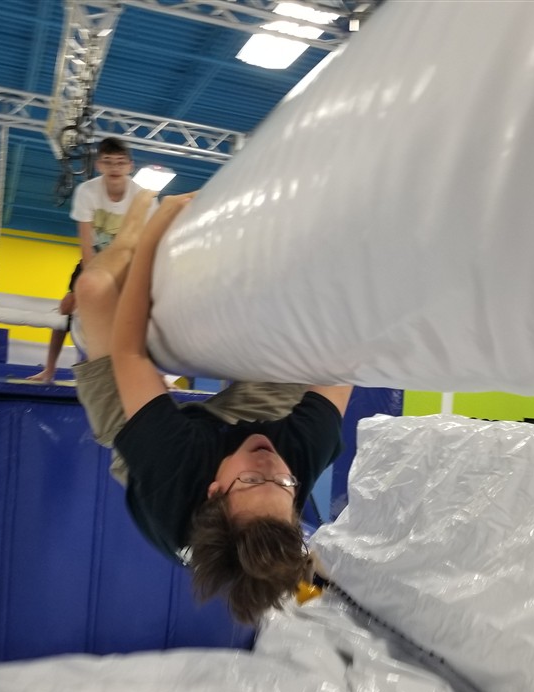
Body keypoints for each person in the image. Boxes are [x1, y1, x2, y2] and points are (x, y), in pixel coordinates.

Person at [72, 191, 352, 625]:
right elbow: (345, 356)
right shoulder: (291, 462)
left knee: (93, 290)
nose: (269, 465)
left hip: (154, 458)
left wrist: (155, 229)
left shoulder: (171, 470)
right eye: (282, 484)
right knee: (306, 339)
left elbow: (131, 353)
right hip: (251, 432)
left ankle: (129, 229)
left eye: (254, 479)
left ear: (216, 490)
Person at [28, 137, 150, 382]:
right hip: (94, 260)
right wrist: (88, 283)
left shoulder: (143, 196)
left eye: (120, 162)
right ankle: (49, 369)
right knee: (67, 307)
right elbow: (85, 244)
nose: (114, 168)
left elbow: (146, 242)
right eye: (108, 162)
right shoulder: (87, 191)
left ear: (130, 166)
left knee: (140, 311)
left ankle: (155, 372)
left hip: (127, 262)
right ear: (98, 165)